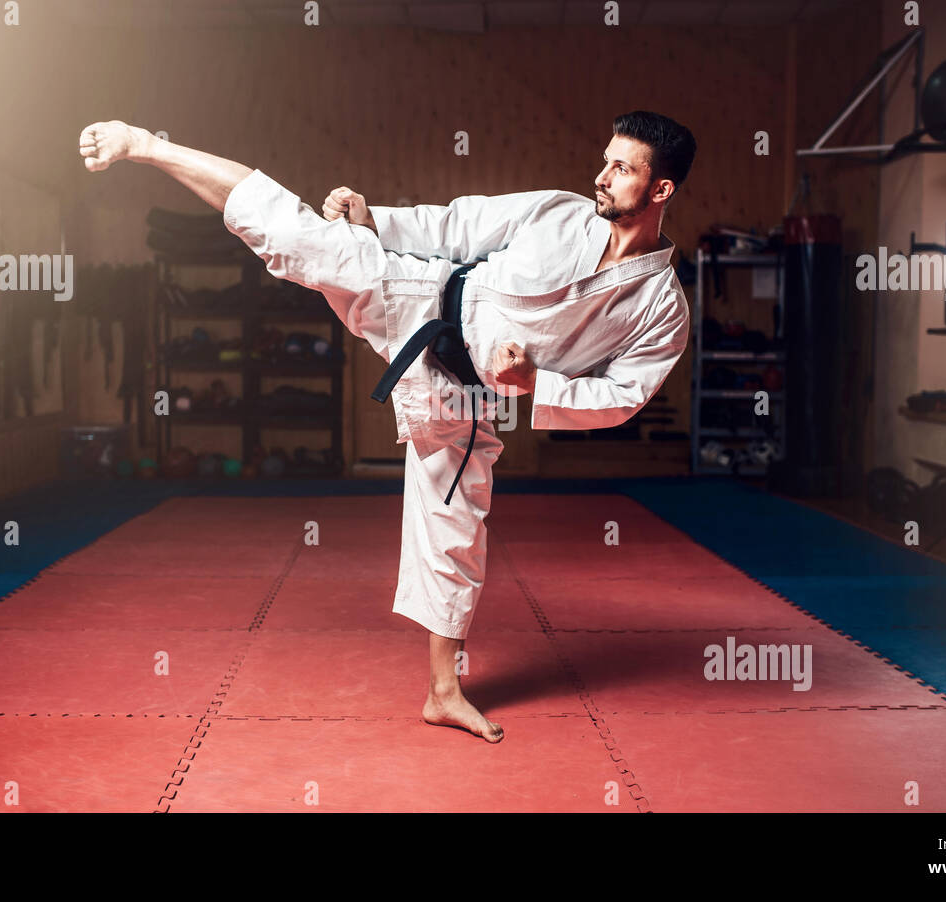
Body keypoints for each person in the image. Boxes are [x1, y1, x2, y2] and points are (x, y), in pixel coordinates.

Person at [78, 110, 694, 743]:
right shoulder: (560, 213)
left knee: (456, 531)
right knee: (296, 239)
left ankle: (443, 694)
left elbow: (625, 397)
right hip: (420, 297)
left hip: (471, 398)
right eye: (605, 159)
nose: (602, 175)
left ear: (661, 190)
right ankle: (149, 145)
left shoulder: (662, 308)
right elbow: (460, 224)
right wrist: (380, 221)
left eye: (621, 168)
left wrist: (541, 384)